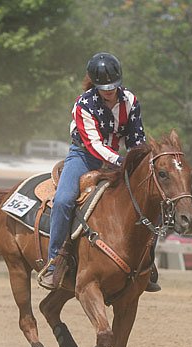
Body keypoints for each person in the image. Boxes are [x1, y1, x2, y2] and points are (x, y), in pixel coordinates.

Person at [38, 52, 161, 292]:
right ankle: (55, 262)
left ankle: (147, 264)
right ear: (94, 84)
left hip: (117, 160)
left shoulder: (130, 101)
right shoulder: (84, 104)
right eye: (103, 87)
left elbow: (137, 138)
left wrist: (140, 161)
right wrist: (121, 161)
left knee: (150, 202)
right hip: (83, 157)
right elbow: (94, 144)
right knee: (63, 200)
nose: (109, 91)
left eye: (112, 86)